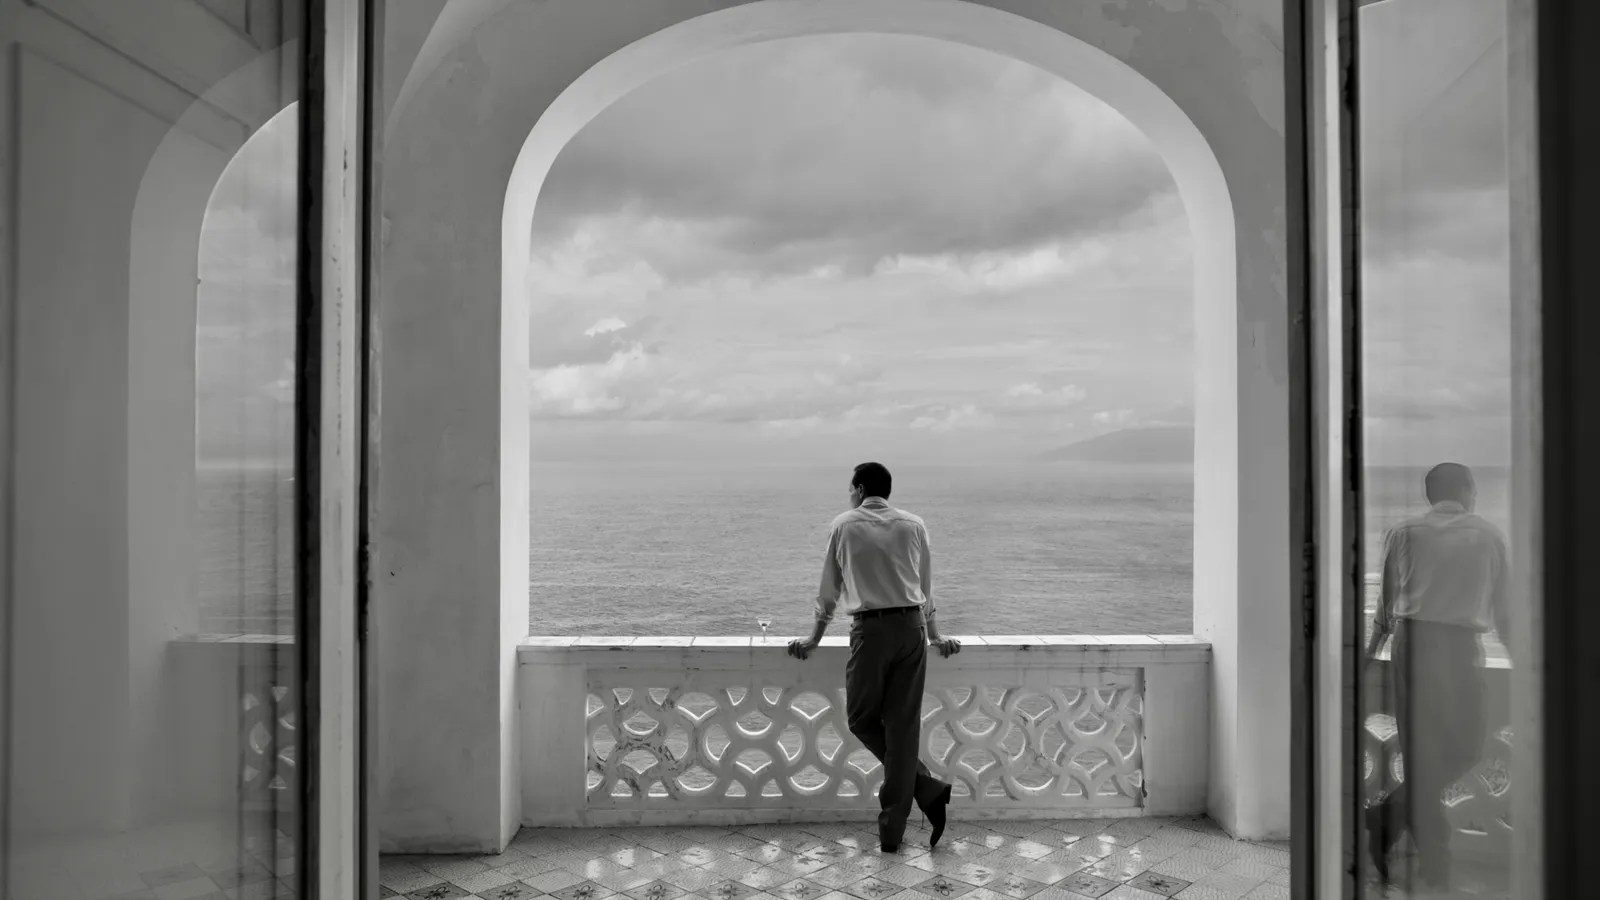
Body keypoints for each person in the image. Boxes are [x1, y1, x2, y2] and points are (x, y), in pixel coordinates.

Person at [787, 462, 961, 853]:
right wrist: (934, 634)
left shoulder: (844, 525)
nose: (848, 494)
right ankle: (903, 819)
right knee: (902, 728)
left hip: (871, 630)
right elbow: (925, 587)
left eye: (850, 488)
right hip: (912, 629)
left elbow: (829, 590)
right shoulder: (914, 525)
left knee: (862, 718)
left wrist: (813, 637)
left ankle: (923, 795)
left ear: (860, 487)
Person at [1365, 462, 1510, 890]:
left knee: (1420, 756)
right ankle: (1436, 863)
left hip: (1411, 646)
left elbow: (1385, 607)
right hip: (1461, 648)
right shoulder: (1488, 535)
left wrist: (1370, 657)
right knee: (1471, 745)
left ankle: (1387, 819)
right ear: (1466, 490)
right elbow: (1505, 612)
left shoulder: (1402, 532)